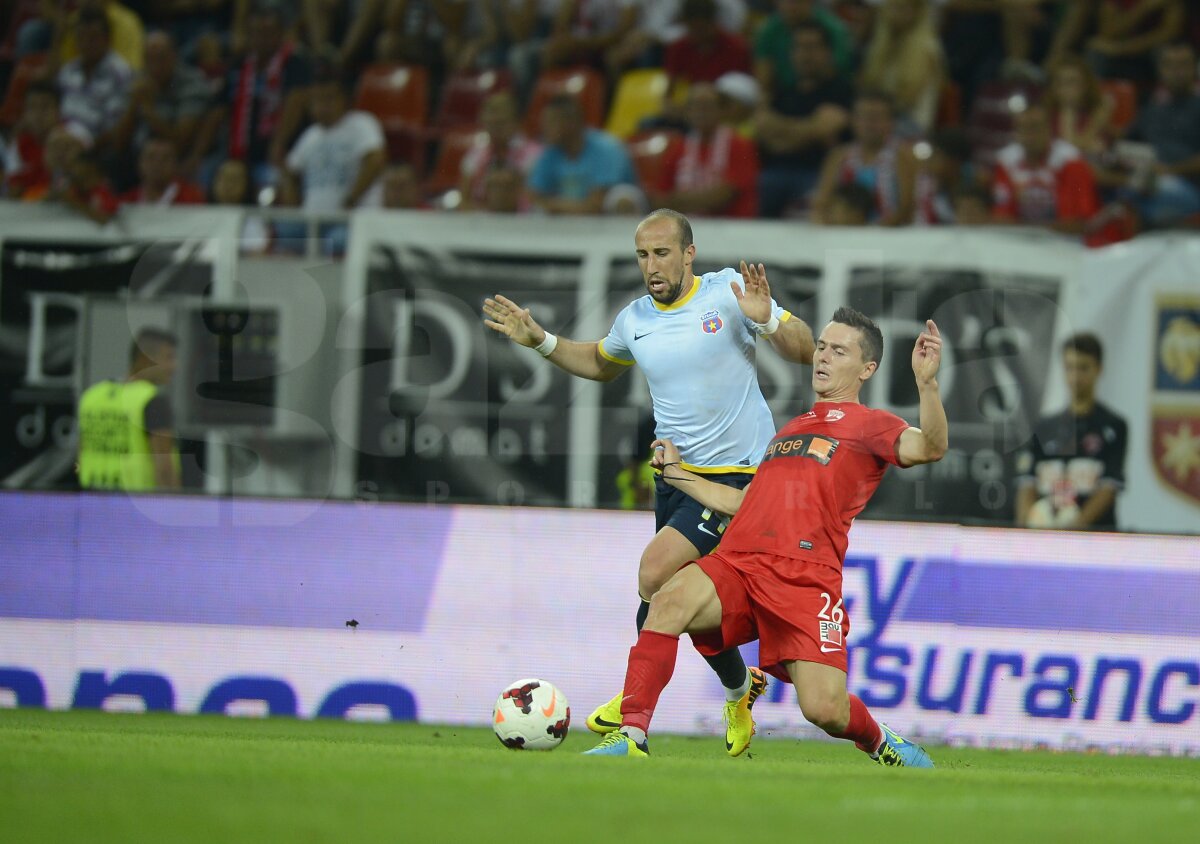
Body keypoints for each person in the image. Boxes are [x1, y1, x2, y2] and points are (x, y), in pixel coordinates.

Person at [482, 208, 815, 756]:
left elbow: (804, 349)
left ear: (689, 254)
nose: (651, 265)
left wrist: (770, 320)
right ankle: (739, 689)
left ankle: (634, 715)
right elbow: (598, 362)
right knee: (680, 599)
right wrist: (540, 339)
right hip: (675, 480)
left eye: (662, 252)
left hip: (737, 477)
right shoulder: (635, 318)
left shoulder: (726, 292)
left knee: (654, 572)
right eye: (642, 254)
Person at [583, 308, 947, 762]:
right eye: (821, 347)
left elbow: (930, 446)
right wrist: (678, 476)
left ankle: (878, 740)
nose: (823, 357)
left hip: (803, 579)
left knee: (824, 709)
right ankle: (631, 735)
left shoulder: (871, 425)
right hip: (741, 562)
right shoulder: (790, 431)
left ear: (867, 369)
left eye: (839, 351)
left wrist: (927, 386)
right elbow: (746, 503)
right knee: (668, 599)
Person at [1015, 333, 1127, 530]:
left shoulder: (1114, 426)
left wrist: (1071, 531)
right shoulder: (1044, 427)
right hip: (1045, 540)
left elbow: (1108, 489)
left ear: (1098, 369)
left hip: (1095, 541)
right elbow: (1028, 484)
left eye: (1083, 368)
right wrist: (1025, 531)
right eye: (1069, 367)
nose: (1075, 376)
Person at [77, 328, 182, 491]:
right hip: (135, 507)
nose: (174, 366)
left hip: (92, 502)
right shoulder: (152, 401)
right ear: (145, 359)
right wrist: (176, 511)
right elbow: (164, 470)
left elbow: (81, 457)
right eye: (168, 358)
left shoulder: (92, 396)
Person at [650, 82, 760, 219]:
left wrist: (679, 202)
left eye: (707, 107)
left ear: (722, 110)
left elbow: (723, 196)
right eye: (695, 107)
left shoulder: (740, 145)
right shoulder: (678, 148)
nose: (701, 113)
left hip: (732, 227)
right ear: (687, 113)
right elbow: (660, 199)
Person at [811, 91, 917, 226]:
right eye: (864, 117)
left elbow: (907, 208)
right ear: (853, 121)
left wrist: (873, 233)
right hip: (844, 232)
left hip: (888, 235)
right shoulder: (838, 156)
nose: (870, 124)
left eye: (877, 117)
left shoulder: (904, 156)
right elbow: (822, 203)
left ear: (891, 122)